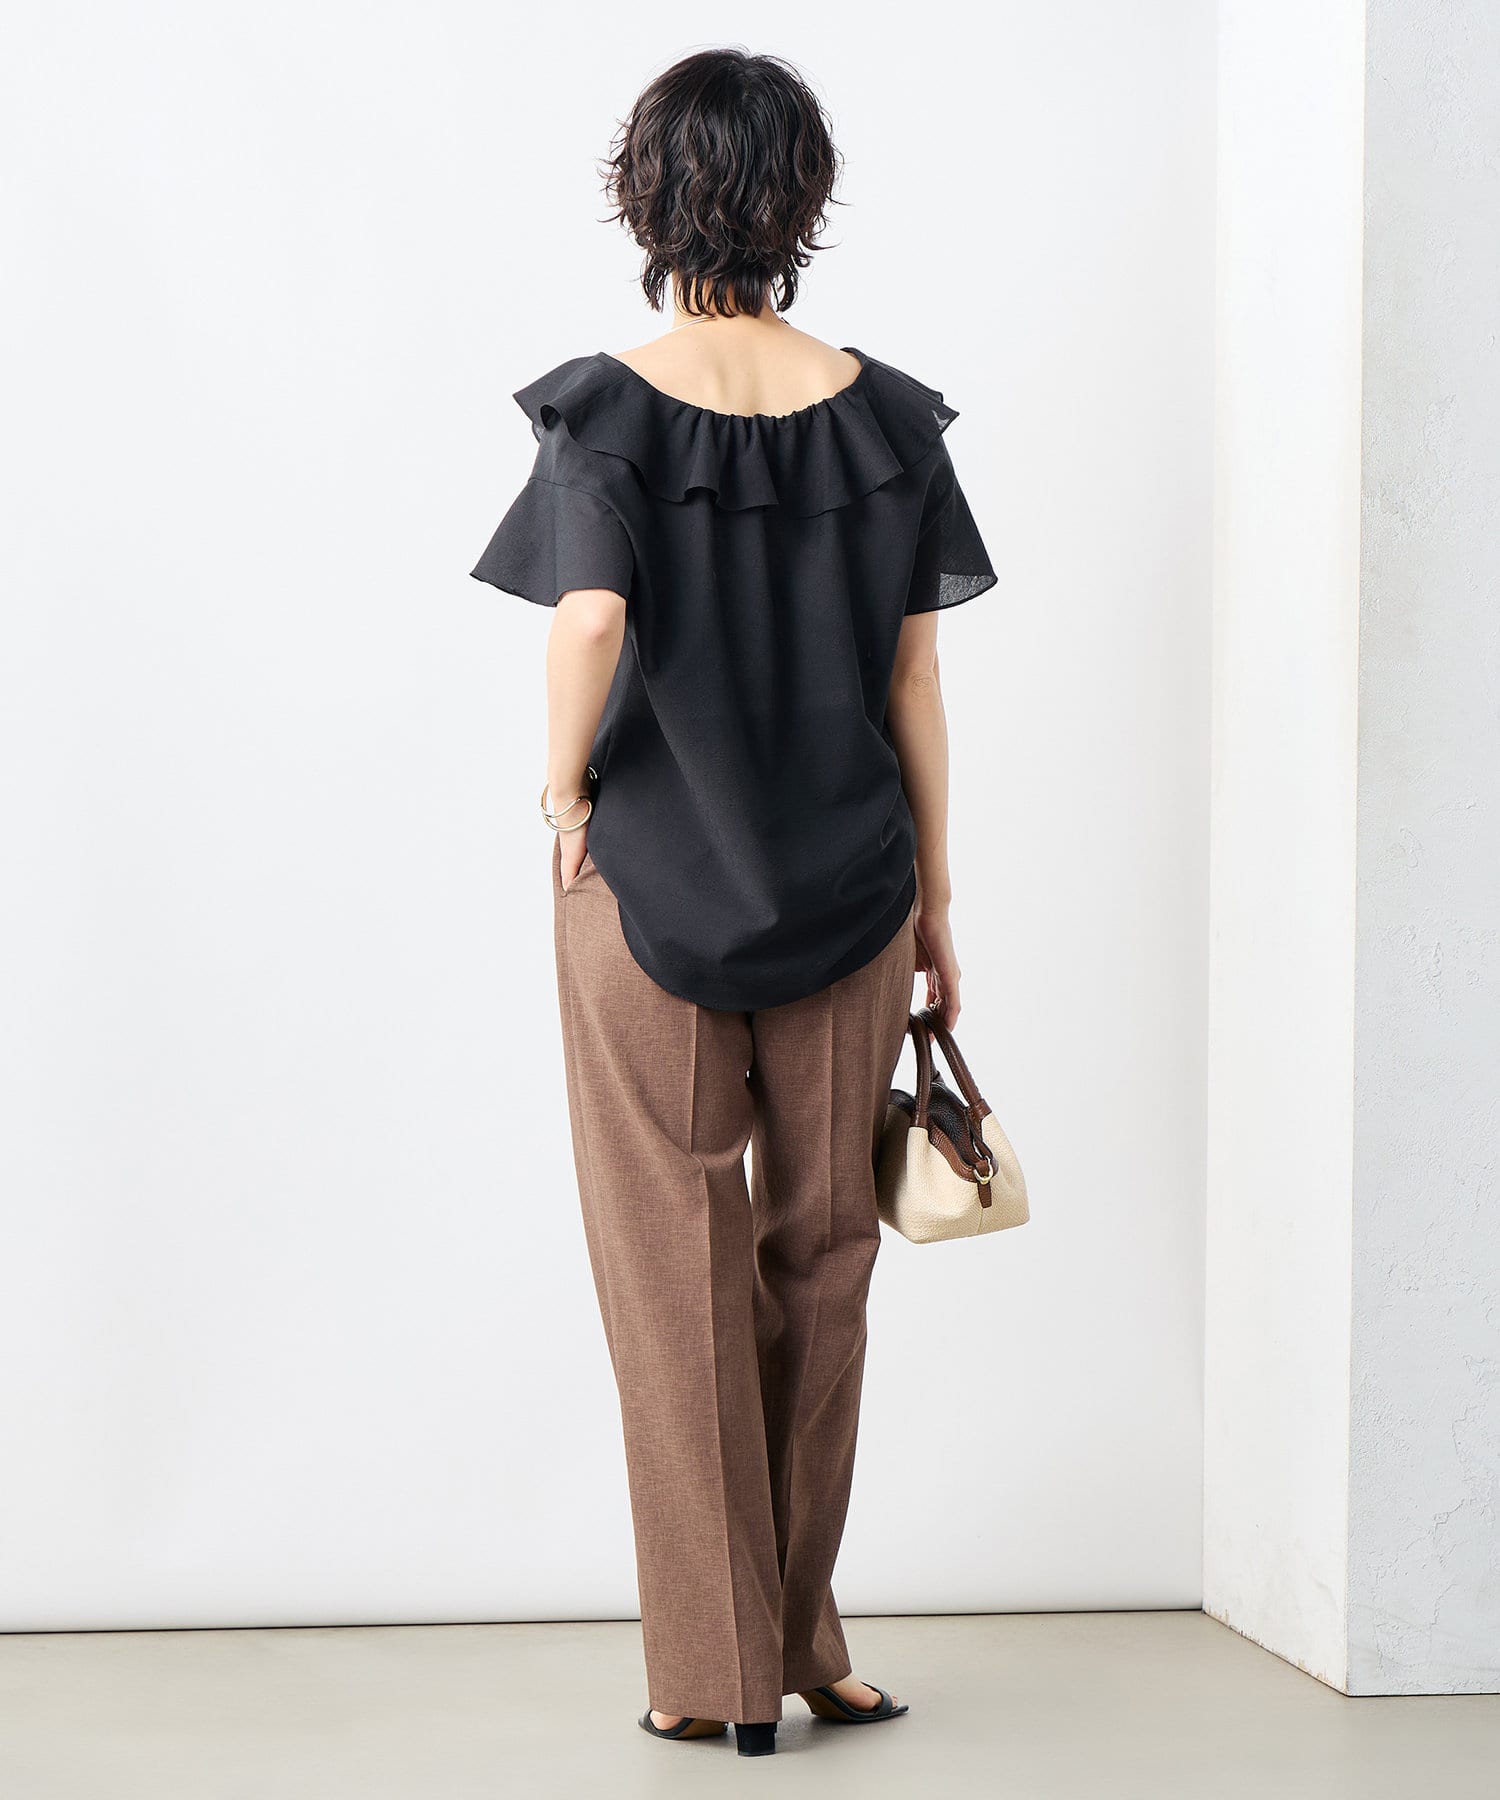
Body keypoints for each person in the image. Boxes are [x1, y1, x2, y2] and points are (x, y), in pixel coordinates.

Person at [470, 47, 997, 1759]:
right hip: (853, 891)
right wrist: (936, 901)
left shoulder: (603, 411)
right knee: (823, 1265)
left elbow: (590, 621)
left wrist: (564, 796)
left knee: (672, 1271)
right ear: (803, 203)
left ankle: (715, 1673)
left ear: (647, 197)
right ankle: (807, 1642)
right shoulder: (888, 417)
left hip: (647, 894)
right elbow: (915, 679)